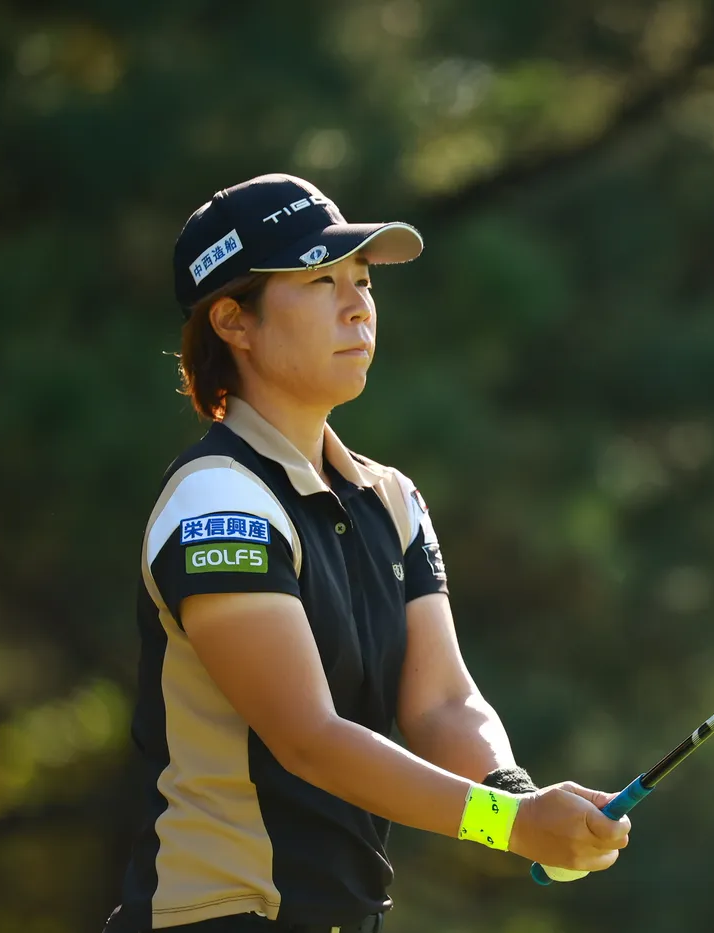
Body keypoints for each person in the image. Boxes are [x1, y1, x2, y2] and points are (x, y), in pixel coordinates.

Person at [104, 174, 629, 933]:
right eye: (321, 281)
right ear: (233, 321)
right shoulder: (218, 503)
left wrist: (518, 794)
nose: (357, 306)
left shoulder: (391, 498)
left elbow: (441, 703)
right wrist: (512, 826)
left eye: (363, 281)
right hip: (218, 916)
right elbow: (309, 739)